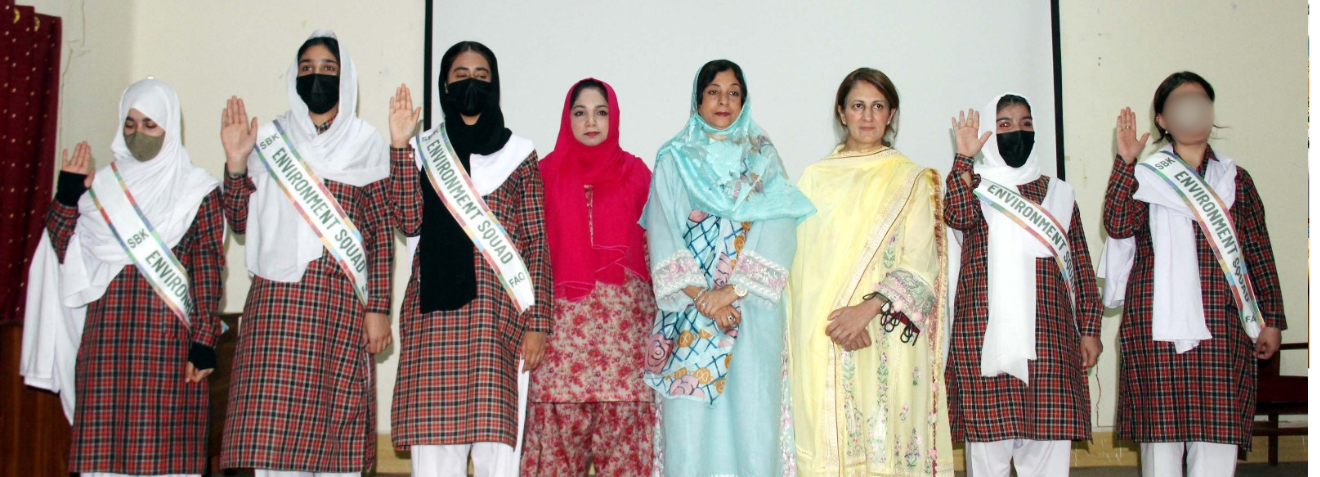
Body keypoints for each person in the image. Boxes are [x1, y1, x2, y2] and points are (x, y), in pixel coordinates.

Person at [23, 78, 224, 477]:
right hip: (105, 346)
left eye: (150, 125)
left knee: (166, 461)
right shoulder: (99, 188)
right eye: (130, 124)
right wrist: (65, 195)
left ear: (169, 127)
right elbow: (64, 251)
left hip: (168, 344)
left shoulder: (195, 189)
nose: (138, 134)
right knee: (104, 464)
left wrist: (203, 340)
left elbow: (207, 266)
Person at [218, 30, 393, 477]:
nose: (317, 77)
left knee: (337, 449)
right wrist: (236, 163)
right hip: (276, 312)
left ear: (346, 78)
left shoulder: (366, 143)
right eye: (307, 69)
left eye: (328, 69)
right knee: (276, 453)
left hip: (340, 311)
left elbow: (377, 237)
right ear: (295, 77)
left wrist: (378, 309)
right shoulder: (270, 140)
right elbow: (240, 223)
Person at [1101, 71, 1285, 477]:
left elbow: (1258, 252)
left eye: (1201, 102)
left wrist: (1271, 319)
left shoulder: (1236, 179)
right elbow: (1116, 224)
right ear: (1163, 120)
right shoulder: (1145, 176)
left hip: (1223, 325)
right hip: (1157, 327)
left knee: (1216, 444)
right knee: (1161, 448)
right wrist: (1125, 161)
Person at [385, 40, 552, 477]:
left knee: (499, 458)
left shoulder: (519, 154)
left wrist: (538, 323)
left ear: (494, 84)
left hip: (501, 324)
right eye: (461, 76)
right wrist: (400, 147)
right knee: (436, 459)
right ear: (444, 85)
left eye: (481, 75)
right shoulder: (422, 150)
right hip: (433, 323)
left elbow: (536, 243)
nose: (471, 83)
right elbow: (406, 220)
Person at [642, 59, 814, 477]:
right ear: (698, 99)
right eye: (714, 91)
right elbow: (663, 232)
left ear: (745, 100)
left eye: (734, 92)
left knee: (752, 420)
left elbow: (779, 225)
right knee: (690, 429)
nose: (724, 100)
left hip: (749, 310)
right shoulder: (673, 158)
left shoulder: (763, 158)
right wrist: (704, 298)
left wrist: (731, 291)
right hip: (689, 315)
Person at [787, 67, 954, 477]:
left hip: (884, 333)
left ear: (891, 114)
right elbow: (801, 269)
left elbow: (919, 263)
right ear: (841, 113)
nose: (867, 116)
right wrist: (835, 322)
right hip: (823, 338)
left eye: (878, 106)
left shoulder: (911, 179)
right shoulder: (814, 178)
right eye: (857, 105)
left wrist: (865, 311)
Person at [943, 93, 1102, 477]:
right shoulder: (974, 186)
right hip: (983, 340)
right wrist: (963, 159)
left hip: (1052, 340)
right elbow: (956, 215)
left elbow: (1080, 264)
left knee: (1047, 459)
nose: (1018, 132)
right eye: (1005, 125)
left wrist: (1091, 329)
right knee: (988, 463)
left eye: (1026, 124)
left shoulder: (1058, 194)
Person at [519, 78, 657, 476]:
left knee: (628, 464)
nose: (591, 121)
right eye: (580, 113)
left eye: (601, 112)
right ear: (568, 118)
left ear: (613, 118)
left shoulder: (637, 174)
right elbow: (529, 255)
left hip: (625, 350)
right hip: (561, 349)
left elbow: (658, 250)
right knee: (554, 464)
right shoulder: (543, 174)